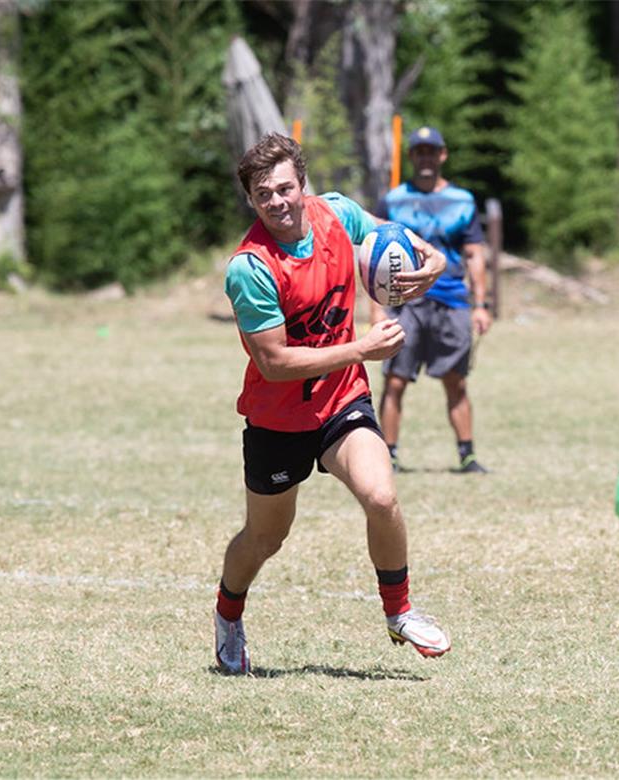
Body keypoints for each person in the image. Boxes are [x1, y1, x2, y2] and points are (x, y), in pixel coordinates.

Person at [213, 133, 453, 675]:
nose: (277, 202)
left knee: (381, 496)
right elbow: (274, 362)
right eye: (262, 194)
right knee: (266, 537)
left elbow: (396, 238)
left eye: (284, 188)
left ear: (302, 183)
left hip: (342, 398)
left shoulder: (337, 215)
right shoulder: (250, 267)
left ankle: (399, 611)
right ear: (250, 200)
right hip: (278, 418)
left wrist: (433, 261)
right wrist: (362, 349)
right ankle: (228, 614)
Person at [373, 126, 493, 474]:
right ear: (411, 156)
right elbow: (372, 257)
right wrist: (377, 310)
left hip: (452, 300)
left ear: (443, 155)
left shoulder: (462, 200)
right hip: (405, 301)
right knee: (395, 380)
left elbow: (474, 254)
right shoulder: (393, 200)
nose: (425, 157)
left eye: (431, 151)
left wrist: (481, 305)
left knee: (456, 380)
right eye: (419, 151)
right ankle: (388, 455)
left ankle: (467, 456)